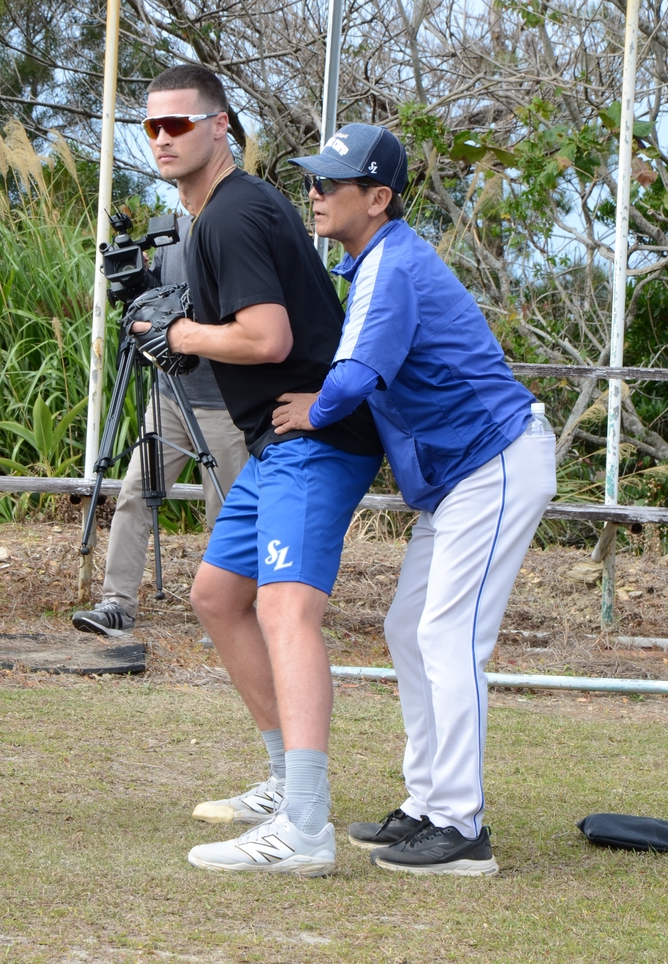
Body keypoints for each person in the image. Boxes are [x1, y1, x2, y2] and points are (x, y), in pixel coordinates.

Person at [273, 123, 557, 876]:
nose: (315, 192)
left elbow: (355, 375)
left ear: (378, 197)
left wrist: (315, 410)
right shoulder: (368, 262)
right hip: (463, 476)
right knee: (410, 627)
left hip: (494, 459)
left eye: (331, 183)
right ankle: (429, 805)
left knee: (447, 635)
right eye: (313, 180)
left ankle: (461, 827)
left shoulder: (390, 262)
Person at [127, 65, 383, 876]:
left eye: (180, 125)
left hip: (314, 440)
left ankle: (305, 829)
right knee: (217, 595)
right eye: (152, 128)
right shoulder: (223, 215)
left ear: (220, 128)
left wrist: (187, 334)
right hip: (277, 441)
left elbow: (267, 339)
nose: (164, 139)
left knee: (284, 613)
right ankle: (283, 785)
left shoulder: (233, 215)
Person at [72, 215, 248, 637]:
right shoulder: (169, 230)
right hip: (168, 394)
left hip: (224, 404)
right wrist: (143, 277)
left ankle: (230, 613)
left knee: (225, 510)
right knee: (134, 492)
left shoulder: (235, 226)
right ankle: (117, 604)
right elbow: (160, 304)